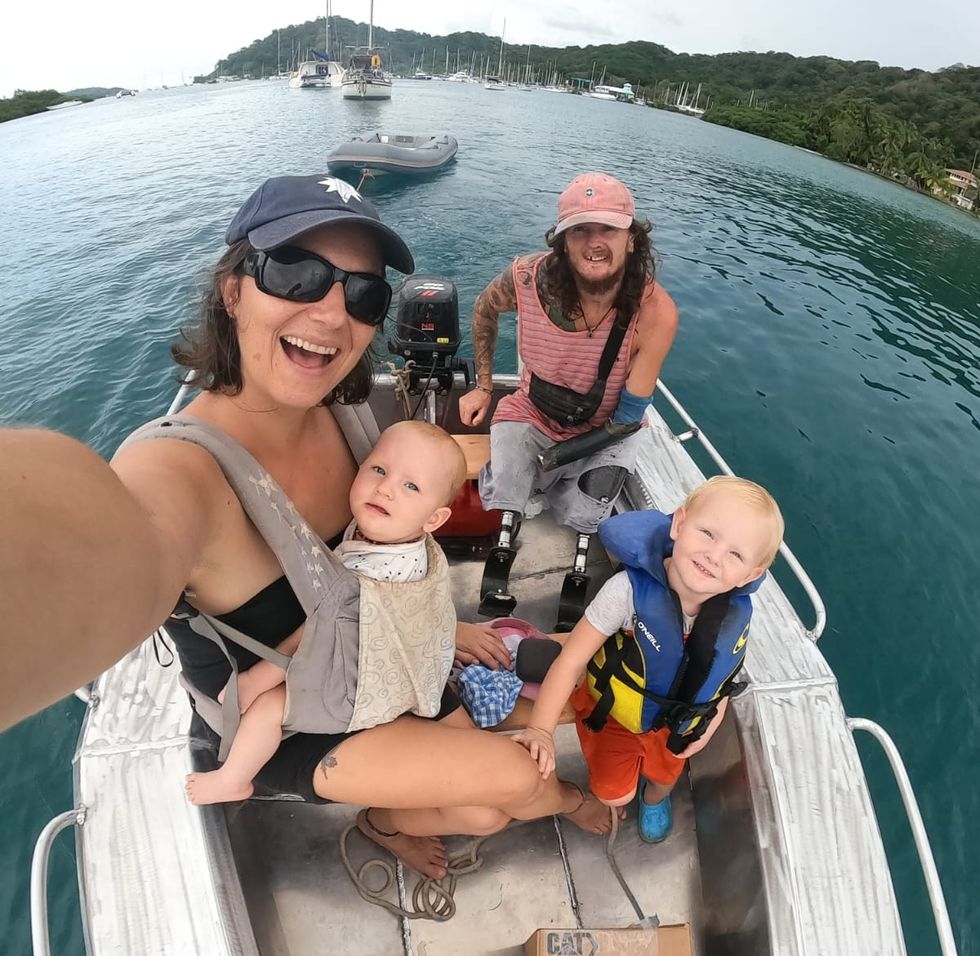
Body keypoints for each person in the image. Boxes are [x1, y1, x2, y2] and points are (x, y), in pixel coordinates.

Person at [0, 174, 605, 877]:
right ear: (232, 291)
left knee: (482, 812)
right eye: (296, 273)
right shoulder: (183, 475)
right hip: (291, 722)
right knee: (514, 784)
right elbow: (95, 536)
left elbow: (396, 540)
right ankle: (568, 805)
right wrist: (565, 798)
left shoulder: (343, 411)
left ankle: (382, 824)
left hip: (377, 664)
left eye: (363, 293)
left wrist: (444, 628)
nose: (330, 313)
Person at [185, 420, 468, 805]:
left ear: (434, 519)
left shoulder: (372, 572)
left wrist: (255, 678)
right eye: (379, 470)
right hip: (396, 664)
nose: (385, 488)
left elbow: (312, 636)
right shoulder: (405, 541)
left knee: (268, 706)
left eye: (411, 486)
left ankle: (233, 779)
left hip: (361, 688)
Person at [457, 172, 679, 628]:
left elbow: (628, 418)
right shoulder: (526, 279)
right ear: (562, 241)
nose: (594, 242)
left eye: (608, 229)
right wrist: (482, 385)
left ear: (632, 239)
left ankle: (573, 547)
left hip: (606, 428)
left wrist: (555, 458)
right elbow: (484, 307)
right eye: (579, 230)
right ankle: (509, 524)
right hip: (534, 409)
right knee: (509, 482)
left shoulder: (655, 313)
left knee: (588, 507)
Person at [514, 476, 784, 842]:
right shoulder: (625, 593)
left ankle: (655, 798)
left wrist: (708, 728)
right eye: (708, 533)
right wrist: (541, 731)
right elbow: (571, 661)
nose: (714, 556)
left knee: (663, 778)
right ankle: (622, 793)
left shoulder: (733, 613)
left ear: (750, 575)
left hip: (676, 723)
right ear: (679, 523)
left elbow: (724, 680)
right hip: (614, 713)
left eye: (736, 554)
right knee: (615, 793)